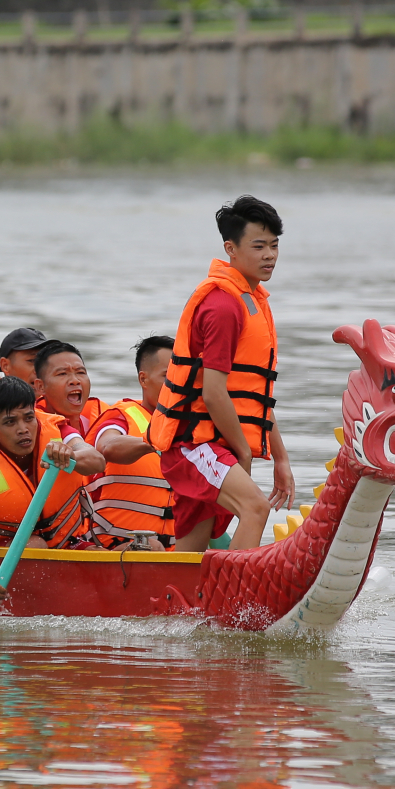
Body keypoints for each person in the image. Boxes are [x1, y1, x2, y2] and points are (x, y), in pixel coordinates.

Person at [150, 195, 296, 554]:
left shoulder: (252, 300)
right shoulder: (224, 306)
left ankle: (177, 606)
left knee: (192, 550)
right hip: (194, 444)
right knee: (256, 507)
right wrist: (244, 453)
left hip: (215, 444)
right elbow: (214, 393)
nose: (269, 255)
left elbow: (252, 394)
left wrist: (281, 457)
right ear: (230, 248)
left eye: (274, 246)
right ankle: (238, 608)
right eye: (258, 246)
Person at [0, 377, 106, 605]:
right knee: (35, 544)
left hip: (66, 542)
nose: (23, 429)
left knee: (106, 558)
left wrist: (70, 454)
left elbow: (97, 461)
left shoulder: (57, 429)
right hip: (5, 550)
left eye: (28, 418)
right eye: (10, 422)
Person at [87, 335, 176, 549]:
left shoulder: (192, 426)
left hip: (172, 549)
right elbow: (107, 447)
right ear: (143, 379)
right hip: (112, 543)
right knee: (153, 547)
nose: (176, 385)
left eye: (181, 377)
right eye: (167, 376)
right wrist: (154, 440)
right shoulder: (120, 416)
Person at [32, 339, 105, 437]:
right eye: (62, 373)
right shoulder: (31, 429)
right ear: (41, 387)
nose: (75, 380)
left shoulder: (104, 423)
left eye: (80, 372)